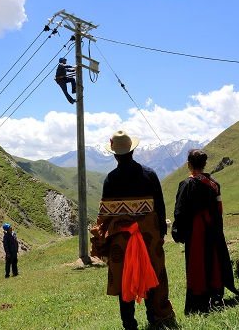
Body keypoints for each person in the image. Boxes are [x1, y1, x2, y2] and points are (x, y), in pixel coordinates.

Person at [90, 130, 176, 330]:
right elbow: (160, 207)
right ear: (132, 151)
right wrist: (160, 233)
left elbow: (105, 216)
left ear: (114, 154)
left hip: (121, 238)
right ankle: (154, 318)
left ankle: (129, 324)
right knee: (152, 274)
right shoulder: (150, 175)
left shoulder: (110, 179)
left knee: (124, 280)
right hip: (148, 235)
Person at [172, 149, 239, 315]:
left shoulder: (187, 184)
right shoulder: (214, 183)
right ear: (204, 164)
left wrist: (178, 231)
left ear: (189, 164)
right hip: (212, 226)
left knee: (197, 262)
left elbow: (180, 211)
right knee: (214, 259)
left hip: (196, 230)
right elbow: (219, 208)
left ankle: (198, 300)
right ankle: (215, 293)